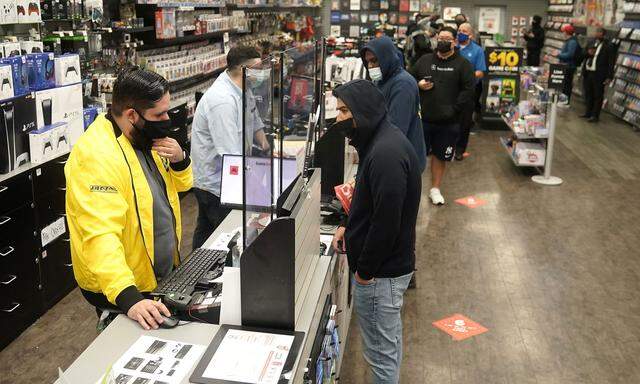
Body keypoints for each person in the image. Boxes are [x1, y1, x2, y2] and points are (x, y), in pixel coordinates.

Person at [65, 68, 193, 330]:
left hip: (157, 276)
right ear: (132, 114)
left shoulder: (144, 136)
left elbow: (176, 189)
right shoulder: (96, 156)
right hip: (126, 289)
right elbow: (100, 235)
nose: (167, 119)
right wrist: (128, 297)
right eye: (160, 114)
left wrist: (181, 160)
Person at [330, 79, 421, 384]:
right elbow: (369, 199)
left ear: (362, 110)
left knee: (380, 357)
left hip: (381, 275)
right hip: (385, 270)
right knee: (387, 345)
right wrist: (346, 222)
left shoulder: (385, 155)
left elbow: (386, 222)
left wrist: (364, 272)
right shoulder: (381, 141)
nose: (339, 117)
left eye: (344, 110)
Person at [191, 46, 271, 249]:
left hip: (229, 176)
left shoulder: (244, 88)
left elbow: (254, 116)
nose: (262, 72)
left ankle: (194, 272)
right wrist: (257, 186)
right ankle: (207, 275)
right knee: (224, 236)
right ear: (245, 69)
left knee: (207, 231)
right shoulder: (222, 101)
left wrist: (265, 144)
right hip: (216, 182)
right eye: (258, 67)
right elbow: (230, 154)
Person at [411, 26, 474, 205]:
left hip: (448, 121)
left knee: (440, 156)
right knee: (416, 154)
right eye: (440, 38)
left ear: (454, 42)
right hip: (422, 119)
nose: (442, 42)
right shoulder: (424, 60)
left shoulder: (463, 64)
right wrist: (418, 84)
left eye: (447, 39)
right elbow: (408, 79)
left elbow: (468, 90)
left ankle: (435, 189)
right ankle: (411, 188)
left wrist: (454, 109)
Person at [361, 36, 427, 172]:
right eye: (367, 62)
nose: (370, 66)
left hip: (402, 159)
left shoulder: (403, 84)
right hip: (390, 151)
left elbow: (396, 128)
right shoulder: (382, 79)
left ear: (386, 58)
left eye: (374, 61)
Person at [455, 22, 486, 160]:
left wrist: (466, 76)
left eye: (464, 31)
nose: (460, 32)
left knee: (464, 121)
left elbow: (480, 72)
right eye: (459, 30)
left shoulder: (477, 50)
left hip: (467, 90)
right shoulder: (452, 47)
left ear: (470, 35)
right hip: (451, 89)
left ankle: (460, 150)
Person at [581, 27, 615, 123]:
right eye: (596, 32)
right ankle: (588, 112)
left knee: (598, 95)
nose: (596, 34)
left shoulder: (609, 46)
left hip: (599, 74)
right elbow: (583, 53)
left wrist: (609, 76)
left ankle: (595, 115)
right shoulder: (592, 42)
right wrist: (588, 53)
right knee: (588, 93)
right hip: (588, 72)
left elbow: (611, 62)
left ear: (603, 34)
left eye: (599, 32)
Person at [556, 24, 581, 107]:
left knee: (567, 85)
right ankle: (563, 101)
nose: (563, 34)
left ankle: (565, 102)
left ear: (566, 32)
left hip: (569, 66)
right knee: (564, 84)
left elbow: (570, 54)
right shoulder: (569, 41)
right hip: (566, 65)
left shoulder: (572, 42)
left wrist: (559, 55)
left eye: (564, 32)